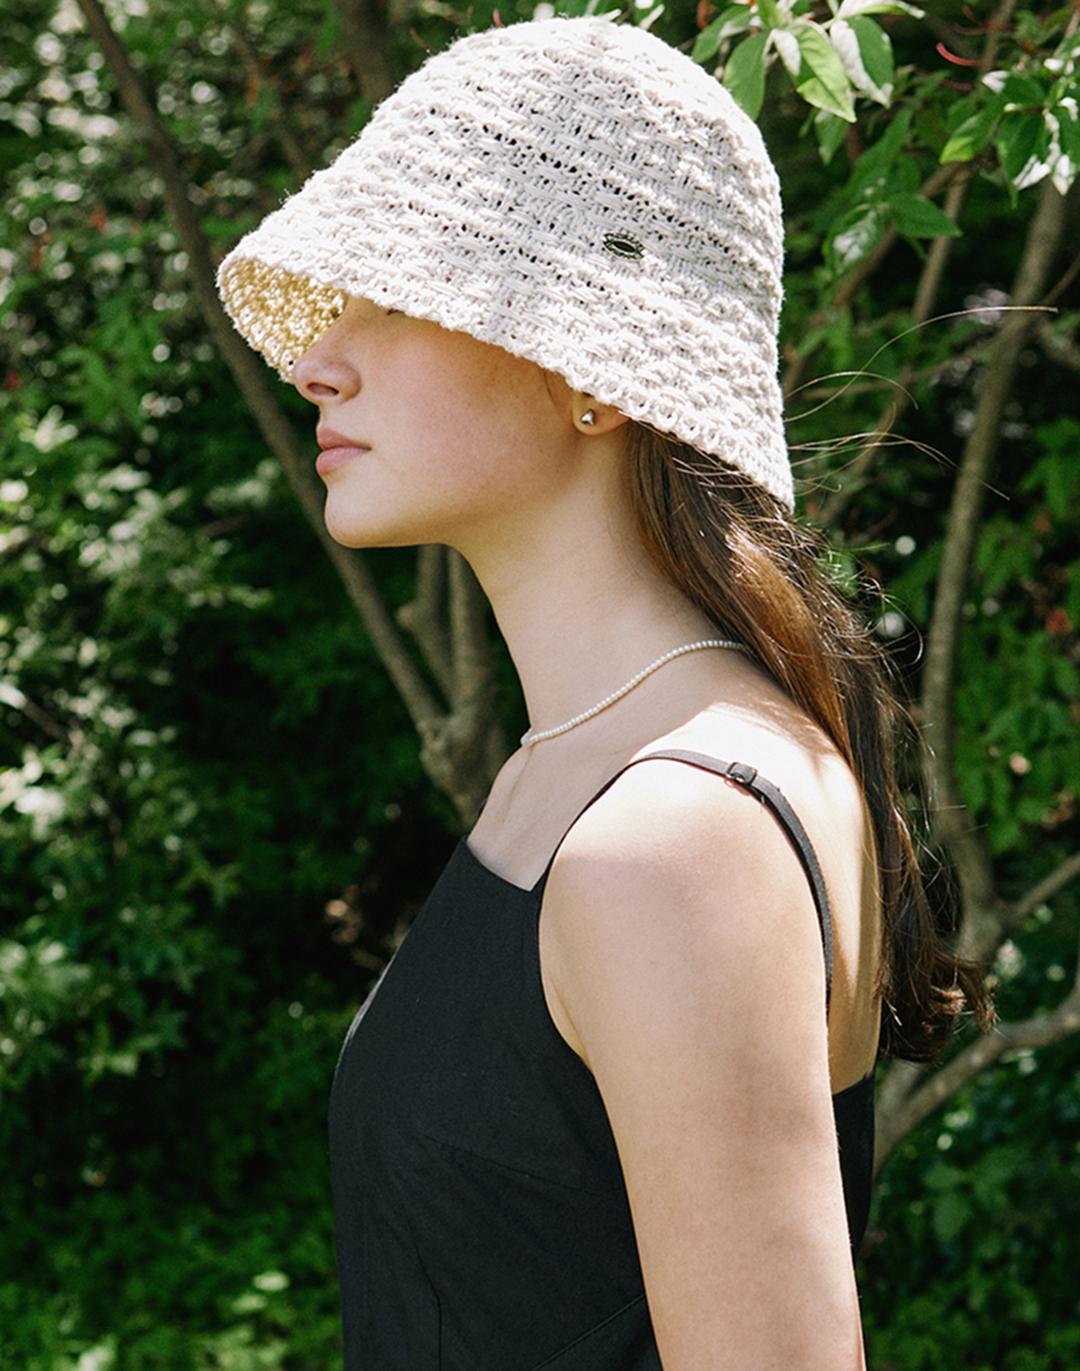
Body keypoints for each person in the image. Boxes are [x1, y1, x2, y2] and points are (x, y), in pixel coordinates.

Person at [215, 14, 995, 1369]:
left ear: (589, 369)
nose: (315, 360)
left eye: (389, 295)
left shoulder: (670, 838)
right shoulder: (603, 768)